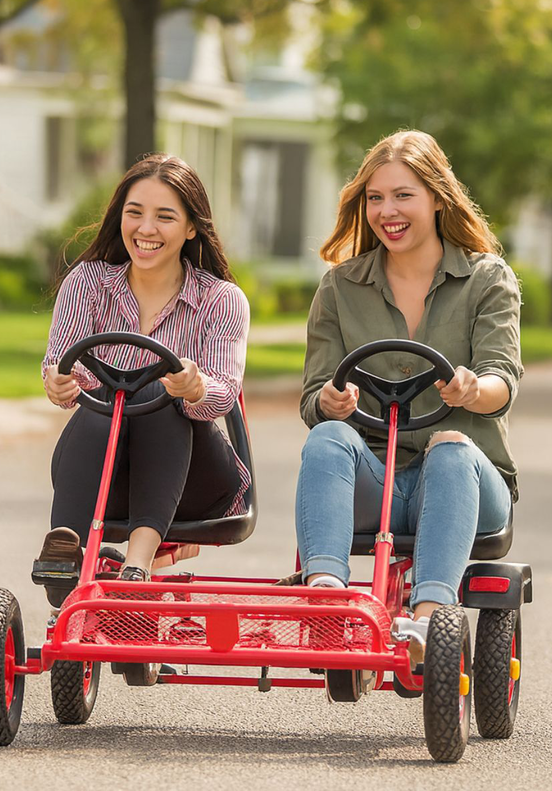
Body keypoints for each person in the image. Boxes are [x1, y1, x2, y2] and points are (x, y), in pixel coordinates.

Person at [296, 130, 523, 656]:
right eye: (375, 198)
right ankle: (328, 597)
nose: (386, 211)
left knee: (449, 443)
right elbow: (313, 397)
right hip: (375, 480)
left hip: (464, 481)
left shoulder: (488, 279)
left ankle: (427, 622)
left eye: (403, 195)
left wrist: (472, 388)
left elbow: (501, 382)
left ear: (437, 197)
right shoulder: (339, 287)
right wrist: (328, 404)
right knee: (329, 436)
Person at [38, 154, 250, 594]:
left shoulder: (221, 299)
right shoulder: (89, 283)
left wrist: (194, 387)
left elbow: (224, 395)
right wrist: (59, 382)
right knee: (108, 394)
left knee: (156, 386)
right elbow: (63, 364)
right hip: (106, 472)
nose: (145, 229)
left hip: (195, 478)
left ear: (192, 227)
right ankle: (67, 549)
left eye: (164, 217)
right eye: (135, 213)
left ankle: (138, 564)